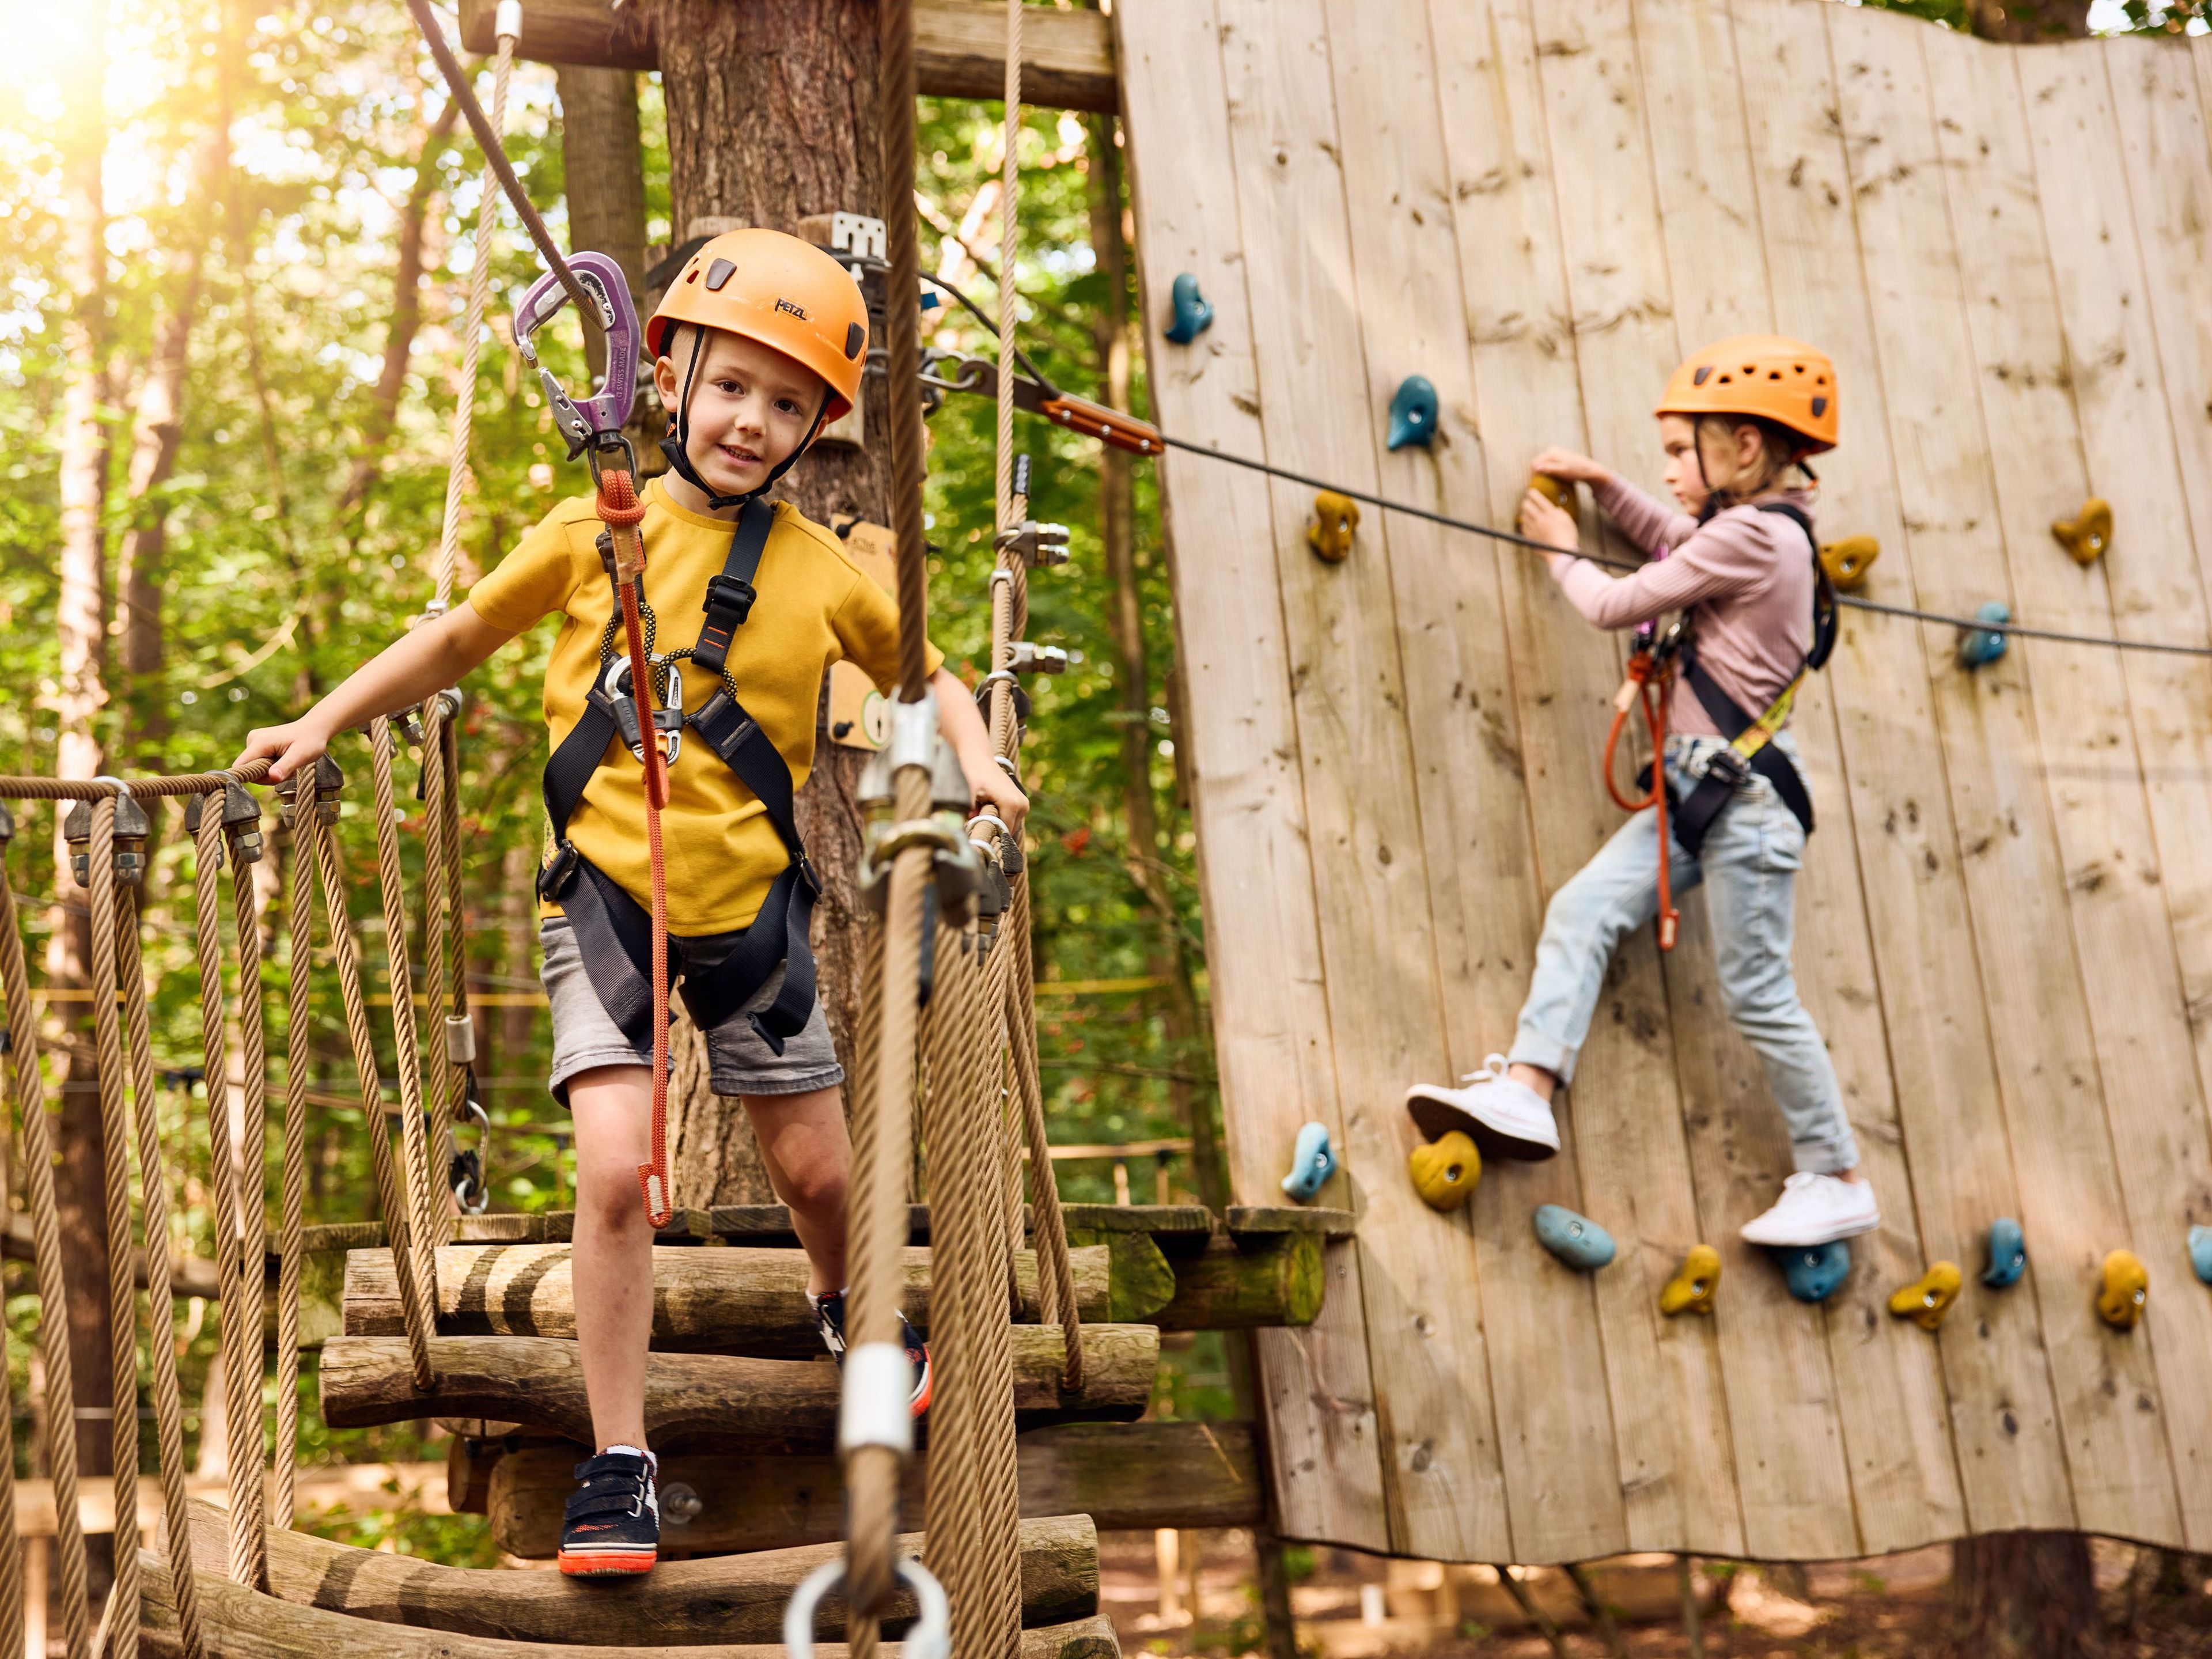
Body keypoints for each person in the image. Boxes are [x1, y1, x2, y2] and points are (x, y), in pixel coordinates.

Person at [237, 229, 1027, 1576]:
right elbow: (453, 640)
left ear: (814, 431)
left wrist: (984, 760)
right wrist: (318, 721)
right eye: (732, 387)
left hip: (750, 906)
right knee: (616, 1179)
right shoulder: (586, 533)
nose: (751, 421)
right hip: (606, 896)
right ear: (670, 376)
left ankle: (856, 1315)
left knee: (819, 1172)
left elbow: (933, 672)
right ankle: (620, 1463)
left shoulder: (826, 570)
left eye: (788, 405)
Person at [1404, 335, 1877, 1250]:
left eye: (1679, 450)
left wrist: (1561, 548)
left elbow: (1618, 602)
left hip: (1741, 809)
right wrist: (1606, 483)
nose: (1668, 470)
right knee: (1582, 909)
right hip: (1709, 801)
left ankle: (1838, 1172)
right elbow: (1673, 541)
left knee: (1758, 989)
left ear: (1743, 447)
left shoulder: (1753, 534)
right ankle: (1531, 1090)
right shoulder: (1763, 533)